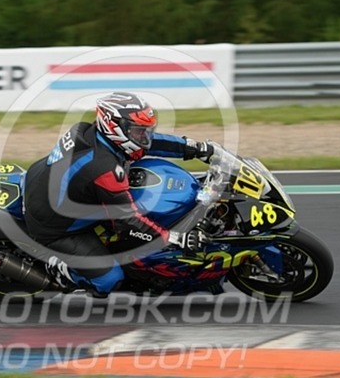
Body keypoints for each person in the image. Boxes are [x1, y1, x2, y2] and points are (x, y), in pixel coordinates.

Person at [23, 92, 214, 297]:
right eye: (139, 131)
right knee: (109, 281)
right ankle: (57, 268)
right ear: (114, 127)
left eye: (145, 130)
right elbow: (128, 220)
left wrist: (195, 148)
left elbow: (151, 143)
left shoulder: (90, 131)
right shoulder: (104, 168)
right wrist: (175, 238)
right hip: (55, 227)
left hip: (45, 184)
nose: (144, 136)